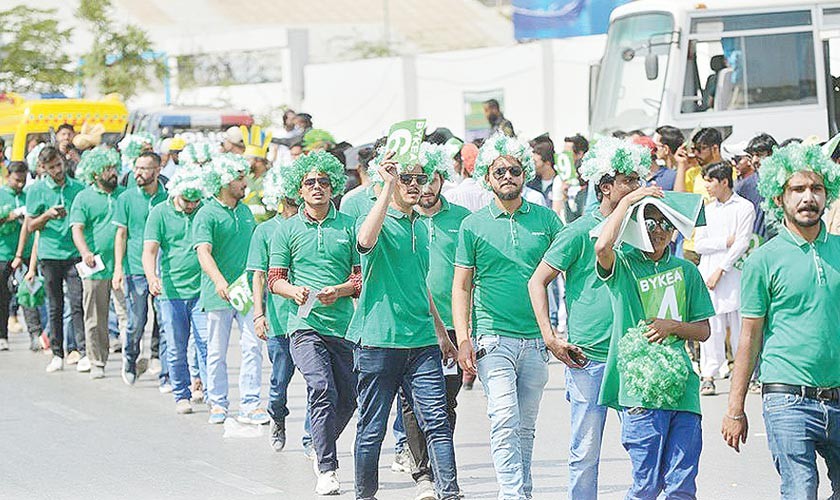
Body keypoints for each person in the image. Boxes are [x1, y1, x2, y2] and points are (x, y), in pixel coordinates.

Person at [528, 137, 651, 500]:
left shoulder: (642, 230)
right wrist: (550, 337)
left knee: (644, 448)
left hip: (634, 356)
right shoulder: (579, 231)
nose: (635, 187)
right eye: (627, 181)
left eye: (637, 179)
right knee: (584, 452)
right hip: (588, 358)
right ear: (605, 187)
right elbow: (537, 281)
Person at [722, 142, 840, 500]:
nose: (808, 197)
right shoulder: (763, 260)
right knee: (800, 490)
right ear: (778, 198)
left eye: (816, 188)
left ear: (828, 194)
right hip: (787, 398)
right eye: (797, 189)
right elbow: (749, 337)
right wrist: (735, 408)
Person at [454, 134, 563, 499]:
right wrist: (463, 339)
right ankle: (511, 493)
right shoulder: (473, 225)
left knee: (525, 426)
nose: (507, 177)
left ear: (524, 174)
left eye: (514, 170)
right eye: (499, 171)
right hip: (492, 337)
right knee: (503, 418)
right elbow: (461, 287)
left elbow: (572, 268)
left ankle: (522, 492)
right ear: (487, 178)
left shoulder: (547, 219)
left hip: (536, 340)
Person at [347, 147, 459, 500]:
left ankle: (449, 492)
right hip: (379, 341)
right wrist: (386, 185)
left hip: (422, 342)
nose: (413, 184)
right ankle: (365, 494)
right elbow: (364, 241)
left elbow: (420, 286)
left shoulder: (420, 227)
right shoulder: (375, 217)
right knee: (372, 427)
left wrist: (442, 334)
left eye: (419, 178)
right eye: (405, 178)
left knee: (437, 421)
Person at [594, 185, 714, 499]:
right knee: (645, 487)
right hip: (640, 392)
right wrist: (628, 200)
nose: (659, 231)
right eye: (650, 222)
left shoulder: (687, 270)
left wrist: (672, 326)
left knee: (682, 486)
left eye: (666, 224)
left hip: (684, 389)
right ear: (636, 226)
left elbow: (703, 330)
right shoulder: (623, 265)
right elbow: (602, 246)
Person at [268, 151, 359, 496]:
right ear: (300, 189)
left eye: (323, 181)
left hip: (343, 327)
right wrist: (294, 291)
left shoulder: (349, 225)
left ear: (333, 186)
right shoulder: (287, 230)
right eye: (310, 182)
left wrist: (341, 290)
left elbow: (360, 278)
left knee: (348, 398)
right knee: (321, 388)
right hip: (304, 326)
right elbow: (275, 279)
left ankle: (319, 442)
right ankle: (327, 467)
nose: (317, 187)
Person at [399, 143, 471, 499]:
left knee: (445, 403)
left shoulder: (462, 220)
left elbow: (473, 276)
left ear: (442, 179)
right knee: (412, 402)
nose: (425, 187)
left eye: (431, 178)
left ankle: (441, 466)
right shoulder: (400, 219)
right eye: (417, 179)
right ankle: (423, 473)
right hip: (413, 325)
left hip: (454, 326)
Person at [193, 153, 265, 425]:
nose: (244, 183)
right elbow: (203, 251)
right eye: (239, 178)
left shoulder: (245, 212)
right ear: (223, 181)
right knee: (216, 351)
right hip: (219, 293)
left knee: (252, 347)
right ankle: (218, 403)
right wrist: (219, 280)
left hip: (245, 291)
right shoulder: (206, 213)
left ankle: (250, 404)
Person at [246, 167, 304, 451]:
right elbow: (258, 275)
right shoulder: (265, 230)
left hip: (310, 319)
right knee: (280, 381)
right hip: (279, 320)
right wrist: (259, 314)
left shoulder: (310, 226)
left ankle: (312, 439)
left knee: (318, 383)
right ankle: (277, 416)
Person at [143, 165, 208, 414]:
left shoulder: (204, 210)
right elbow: (149, 251)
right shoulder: (160, 213)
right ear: (176, 193)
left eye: (195, 201)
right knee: (176, 346)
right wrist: (152, 277)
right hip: (171, 292)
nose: (191, 205)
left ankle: (209, 391)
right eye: (186, 201)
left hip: (201, 290)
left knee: (205, 344)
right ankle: (181, 393)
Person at [694, 162, 755, 396]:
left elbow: (742, 243)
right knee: (712, 328)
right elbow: (699, 244)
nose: (707, 186)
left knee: (740, 329)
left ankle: (745, 375)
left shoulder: (744, 207)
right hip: (708, 275)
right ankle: (708, 375)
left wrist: (721, 269)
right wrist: (723, 242)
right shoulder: (707, 210)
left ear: (724, 182)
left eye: (710, 181)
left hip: (733, 275)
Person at [25, 146, 86, 373]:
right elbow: (30, 226)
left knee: (77, 303)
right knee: (55, 305)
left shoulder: (78, 187)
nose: (57, 170)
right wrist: (47, 215)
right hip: (49, 254)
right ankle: (57, 353)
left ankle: (81, 350)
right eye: (52, 168)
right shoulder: (37, 190)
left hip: (74, 253)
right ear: (43, 168)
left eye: (59, 165)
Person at [112, 151, 169, 387]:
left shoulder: (168, 196)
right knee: (136, 321)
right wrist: (118, 268)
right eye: (136, 168)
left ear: (157, 171)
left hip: (163, 270)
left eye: (144, 168)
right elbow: (121, 234)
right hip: (135, 268)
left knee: (164, 321)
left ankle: (165, 372)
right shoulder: (126, 198)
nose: (138, 173)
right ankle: (130, 359)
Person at [69, 148, 123, 380]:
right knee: (95, 317)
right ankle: (97, 360)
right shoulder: (84, 197)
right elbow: (77, 229)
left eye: (114, 168)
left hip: (122, 266)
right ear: (95, 173)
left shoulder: (124, 195)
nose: (113, 173)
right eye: (107, 169)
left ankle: (130, 359)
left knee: (127, 316)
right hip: (95, 268)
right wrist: (85, 252)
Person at [0, 162, 34, 351]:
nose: (20, 184)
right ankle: (2, 335)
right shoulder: (2, 194)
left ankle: (36, 335)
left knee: (30, 292)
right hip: (3, 252)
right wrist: (9, 216)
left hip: (27, 252)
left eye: (23, 180)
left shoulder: (28, 195)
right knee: (3, 295)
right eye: (16, 180)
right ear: (8, 177)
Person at [737, 133, 778, 242]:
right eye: (752, 156)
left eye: (760, 155)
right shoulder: (744, 186)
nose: (755, 160)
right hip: (755, 245)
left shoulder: (785, 182)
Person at [446, 142, 494, 213]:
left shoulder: (451, 196)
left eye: (455, 160)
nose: (453, 165)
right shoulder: (491, 193)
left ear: (463, 165)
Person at [241, 125, 274, 222]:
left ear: (258, 161)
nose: (246, 163)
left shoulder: (271, 179)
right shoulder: (246, 178)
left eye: (248, 160)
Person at [649, 126, 681, 190]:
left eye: (655, 146)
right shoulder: (661, 171)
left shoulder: (680, 173)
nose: (653, 150)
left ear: (666, 149)